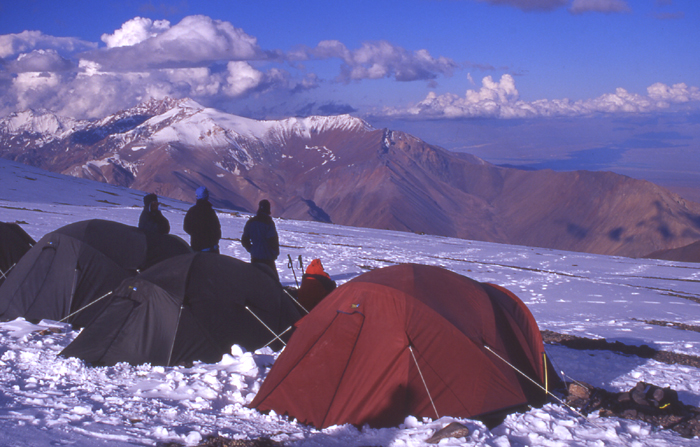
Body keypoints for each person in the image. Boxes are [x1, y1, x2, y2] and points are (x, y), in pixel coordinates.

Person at [241, 199, 280, 278]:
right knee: (272, 279)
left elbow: (244, 240)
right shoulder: (268, 222)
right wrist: (275, 253)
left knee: (256, 278)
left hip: (255, 256)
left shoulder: (251, 222)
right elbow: (272, 240)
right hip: (267, 257)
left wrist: (252, 249)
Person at [184, 186, 221, 254]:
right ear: (207, 196)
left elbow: (186, 227)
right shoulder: (210, 211)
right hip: (211, 249)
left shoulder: (192, 211)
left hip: (196, 248)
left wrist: (195, 235)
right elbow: (217, 228)